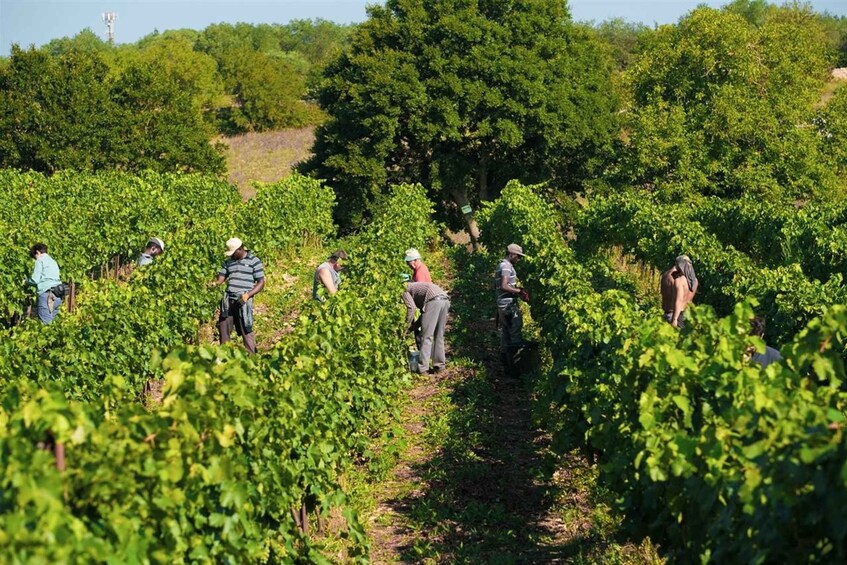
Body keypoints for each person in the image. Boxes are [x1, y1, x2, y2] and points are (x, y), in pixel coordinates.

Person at [213, 237, 265, 354]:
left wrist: (248, 295)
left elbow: (261, 283)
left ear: (240, 249)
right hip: (228, 301)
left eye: (232, 253)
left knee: (246, 328)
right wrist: (212, 284)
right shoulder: (228, 262)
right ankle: (224, 356)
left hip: (243, 301)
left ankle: (252, 358)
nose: (230, 256)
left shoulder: (254, 261)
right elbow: (220, 279)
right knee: (224, 328)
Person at [402, 281, 450, 374]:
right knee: (439, 335)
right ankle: (440, 366)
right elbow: (424, 317)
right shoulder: (414, 287)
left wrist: (406, 327)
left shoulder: (403, 289)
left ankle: (423, 368)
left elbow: (411, 308)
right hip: (445, 300)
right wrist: (412, 328)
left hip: (434, 301)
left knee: (426, 336)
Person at [495, 243, 530, 363]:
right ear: (511, 254)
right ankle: (516, 364)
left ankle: (506, 364)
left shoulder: (502, 265)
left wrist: (517, 290)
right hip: (508, 305)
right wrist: (520, 291)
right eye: (518, 256)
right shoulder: (506, 266)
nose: (519, 259)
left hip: (502, 303)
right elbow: (504, 286)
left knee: (506, 332)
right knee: (515, 332)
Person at [28, 243, 63, 324]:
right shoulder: (53, 261)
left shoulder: (40, 260)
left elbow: (35, 280)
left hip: (47, 294)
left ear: (37, 252)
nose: (35, 259)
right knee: (53, 324)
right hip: (58, 294)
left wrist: (26, 281)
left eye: (34, 257)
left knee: (45, 324)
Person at [661, 255, 698, 328]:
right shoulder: (694, 281)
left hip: (673, 315)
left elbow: (679, 300)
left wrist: (674, 320)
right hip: (685, 316)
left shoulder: (678, 280)